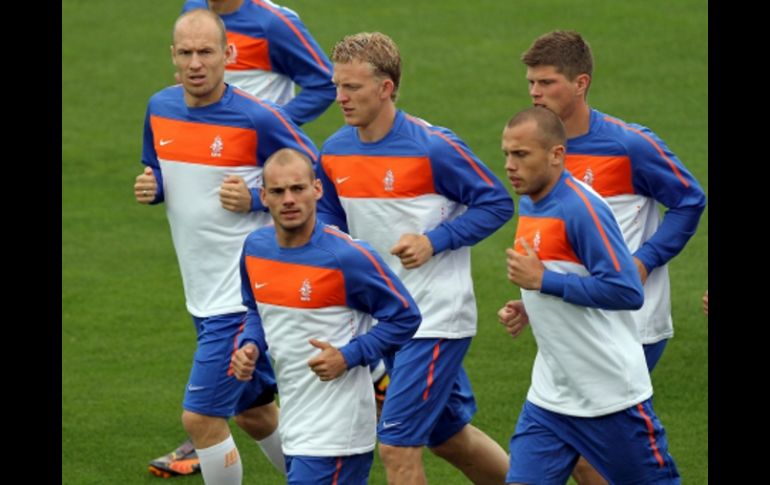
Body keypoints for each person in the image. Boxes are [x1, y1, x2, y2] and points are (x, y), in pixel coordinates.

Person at [149, 1, 337, 475]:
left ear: (227, 54)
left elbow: (313, 182)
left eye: (206, 53)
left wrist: (257, 198)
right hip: (200, 292)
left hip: (240, 298)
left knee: (202, 418)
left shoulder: (259, 119)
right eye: (186, 53)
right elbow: (164, 170)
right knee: (254, 413)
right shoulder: (159, 108)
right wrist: (153, 187)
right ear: (172, 54)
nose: (196, 64)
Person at [317, 31, 513, 485]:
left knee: (397, 449)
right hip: (386, 322)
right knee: (449, 438)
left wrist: (434, 240)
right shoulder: (335, 151)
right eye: (337, 86)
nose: (340, 98)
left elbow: (496, 203)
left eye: (352, 88)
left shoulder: (432, 147)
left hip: (434, 320)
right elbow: (331, 221)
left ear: (386, 88)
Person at [520, 30, 706, 484]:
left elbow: (689, 200)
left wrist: (644, 259)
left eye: (547, 84)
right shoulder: (540, 155)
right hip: (572, 318)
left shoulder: (628, 146)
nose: (535, 94)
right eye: (531, 84)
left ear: (580, 83)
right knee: (582, 447)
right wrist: (529, 299)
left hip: (631, 324)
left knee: (596, 445)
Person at [498, 106, 680, 484]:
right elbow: (562, 273)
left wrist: (545, 283)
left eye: (521, 155)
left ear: (556, 155)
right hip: (551, 396)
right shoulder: (531, 199)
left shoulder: (582, 209)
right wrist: (532, 303)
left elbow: (627, 290)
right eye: (506, 154)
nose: (510, 165)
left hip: (609, 398)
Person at [230, 148, 422, 484]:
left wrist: (349, 356)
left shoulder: (347, 257)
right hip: (295, 417)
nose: (289, 199)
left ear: (317, 190)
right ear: (263, 197)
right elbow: (256, 310)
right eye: (278, 191)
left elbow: (405, 316)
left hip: (337, 429)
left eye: (298, 189)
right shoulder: (255, 248)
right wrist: (250, 345)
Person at [180, 0, 335, 126]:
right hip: (201, 134)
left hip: (254, 154)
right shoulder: (193, 11)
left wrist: (273, 123)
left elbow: (325, 84)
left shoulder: (273, 24)